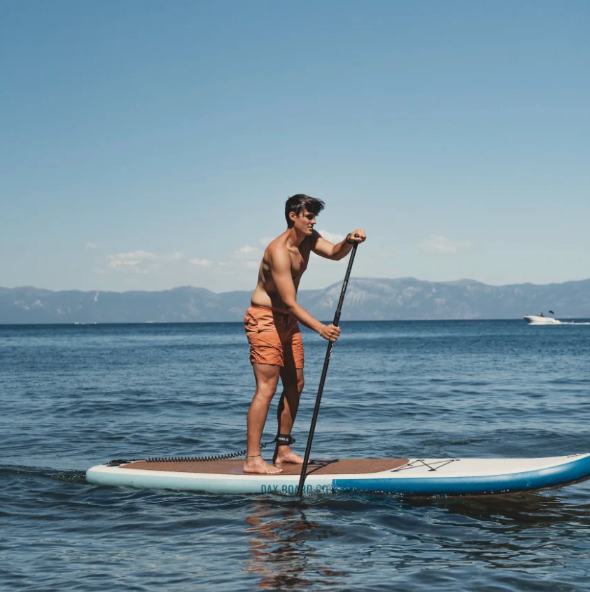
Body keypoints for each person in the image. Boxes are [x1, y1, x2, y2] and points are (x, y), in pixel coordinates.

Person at [243, 194, 366, 474]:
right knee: (267, 387)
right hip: (264, 320)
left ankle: (283, 451)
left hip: (287, 322)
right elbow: (288, 301)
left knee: (296, 383)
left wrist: (349, 240)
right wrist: (321, 328)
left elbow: (335, 253)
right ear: (292, 216)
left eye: (314, 217)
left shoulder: (309, 239)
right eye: (308, 216)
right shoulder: (278, 251)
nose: (312, 221)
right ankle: (252, 459)